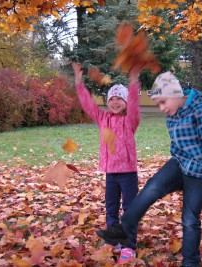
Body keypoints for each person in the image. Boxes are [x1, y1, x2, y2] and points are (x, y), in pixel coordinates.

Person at [96, 71, 202, 266]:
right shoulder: (172, 114)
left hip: (200, 172)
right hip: (180, 163)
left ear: (175, 94)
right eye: (158, 104)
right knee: (152, 187)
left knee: (190, 219)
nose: (162, 108)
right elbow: (176, 144)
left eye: (163, 102)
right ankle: (123, 228)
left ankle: (190, 262)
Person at [72, 62, 141, 263]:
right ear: (107, 101)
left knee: (129, 210)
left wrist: (134, 83)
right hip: (111, 173)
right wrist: (79, 83)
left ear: (126, 102)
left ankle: (129, 246)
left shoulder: (131, 120)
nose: (116, 101)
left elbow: (136, 105)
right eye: (112, 98)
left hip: (128, 174)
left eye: (120, 98)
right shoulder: (102, 118)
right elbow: (88, 104)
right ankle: (113, 241)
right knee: (111, 208)